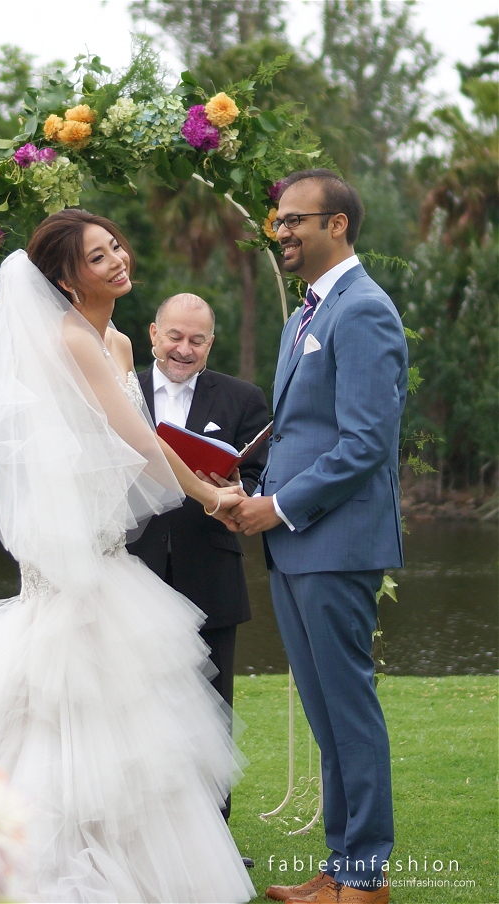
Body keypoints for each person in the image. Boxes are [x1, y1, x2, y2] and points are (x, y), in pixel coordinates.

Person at [0, 209, 255, 904]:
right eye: (98, 257)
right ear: (66, 280)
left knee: (124, 732)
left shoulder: (107, 339)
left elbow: (131, 444)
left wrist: (200, 485)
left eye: (114, 247)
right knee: (68, 725)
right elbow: (140, 441)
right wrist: (207, 495)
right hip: (77, 568)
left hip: (106, 555)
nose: (117, 261)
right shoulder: (74, 341)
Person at [229, 170, 407, 904]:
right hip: (296, 542)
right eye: (277, 222)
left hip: (334, 542)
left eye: (294, 221)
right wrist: (241, 483)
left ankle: (366, 880)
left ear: (337, 224)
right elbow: (303, 431)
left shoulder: (362, 311)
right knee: (325, 711)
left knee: (348, 707)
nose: (282, 233)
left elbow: (365, 443)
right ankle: (339, 868)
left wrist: (279, 507)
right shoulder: (304, 315)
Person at [128, 293, 269, 824]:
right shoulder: (124, 392)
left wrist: (235, 486)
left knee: (212, 709)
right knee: (133, 705)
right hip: (130, 568)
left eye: (197, 340)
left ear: (212, 342)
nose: (184, 350)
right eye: (174, 337)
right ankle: (141, 830)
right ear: (153, 333)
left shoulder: (241, 398)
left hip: (210, 570)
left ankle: (212, 837)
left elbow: (259, 477)